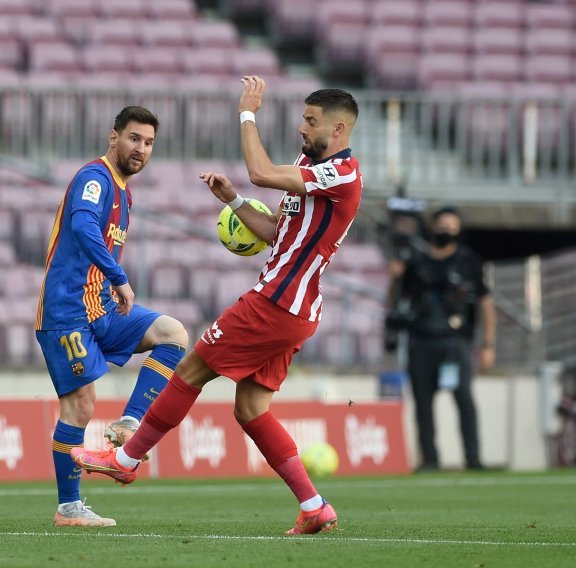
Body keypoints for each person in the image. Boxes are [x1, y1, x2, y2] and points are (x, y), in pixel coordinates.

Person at [73, 76, 363, 535]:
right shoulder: (314, 170)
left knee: (190, 371)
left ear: (339, 130)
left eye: (311, 122)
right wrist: (234, 200)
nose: (302, 129)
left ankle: (125, 460)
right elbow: (274, 234)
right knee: (251, 409)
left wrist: (247, 113)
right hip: (295, 310)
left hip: (276, 303)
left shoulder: (341, 173)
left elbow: (262, 172)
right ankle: (314, 506)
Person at [35, 106, 188, 527]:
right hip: (67, 311)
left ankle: (129, 422)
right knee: (80, 407)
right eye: (134, 138)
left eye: (149, 143)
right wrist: (119, 277)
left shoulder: (124, 191)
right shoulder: (95, 178)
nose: (141, 149)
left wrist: (110, 289)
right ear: (113, 137)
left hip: (100, 310)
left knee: (172, 333)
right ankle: (69, 508)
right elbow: (83, 228)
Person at [390, 206, 496, 472]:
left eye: (451, 228)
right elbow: (396, 300)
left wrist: (488, 344)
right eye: (442, 227)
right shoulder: (415, 259)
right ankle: (429, 459)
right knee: (423, 403)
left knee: (464, 400)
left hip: (456, 341)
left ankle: (473, 458)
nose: (445, 232)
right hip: (421, 339)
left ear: (459, 232)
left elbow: (485, 302)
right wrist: (395, 277)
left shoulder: (468, 260)